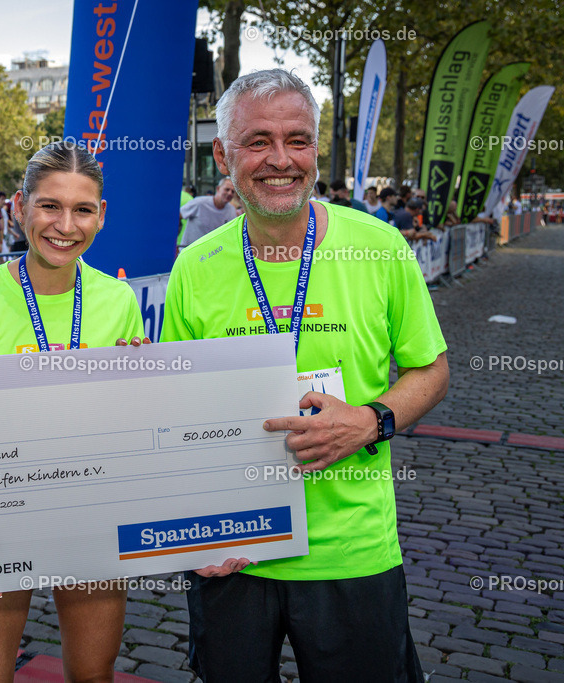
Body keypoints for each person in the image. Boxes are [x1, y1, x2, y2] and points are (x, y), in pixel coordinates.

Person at [162, 68, 449, 682]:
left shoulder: (381, 247)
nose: (280, 160)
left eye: (297, 140)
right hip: (235, 549)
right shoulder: (193, 266)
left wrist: (372, 422)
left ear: (315, 150)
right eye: (257, 141)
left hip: (352, 552)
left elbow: (431, 368)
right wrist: (195, 529)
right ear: (222, 154)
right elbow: (178, 408)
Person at [0, 141, 210, 683]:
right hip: (0, 512)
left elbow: (132, 424)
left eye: (82, 209)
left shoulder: (118, 301)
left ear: (101, 216)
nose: (65, 225)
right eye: (49, 206)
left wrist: (142, 385)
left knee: (92, 673)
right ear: (19, 206)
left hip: (91, 507)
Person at [179, 177, 237, 249]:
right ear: (218, 189)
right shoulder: (199, 203)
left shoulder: (231, 210)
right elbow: (178, 216)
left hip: (211, 255)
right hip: (189, 251)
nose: (229, 193)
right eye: (227, 189)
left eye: (233, 191)